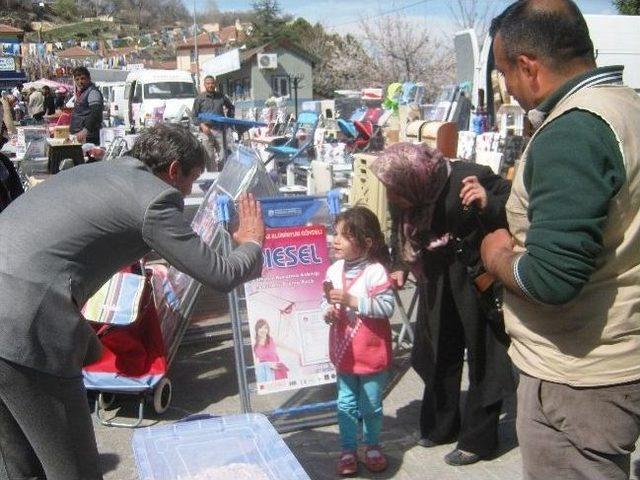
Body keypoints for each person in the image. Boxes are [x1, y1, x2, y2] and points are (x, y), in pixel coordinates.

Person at [0, 123, 265, 480]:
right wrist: (251, 243)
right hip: (25, 326)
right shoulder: (154, 198)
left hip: (12, 312)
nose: (189, 191)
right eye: (191, 179)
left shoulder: (97, 172)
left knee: (18, 465)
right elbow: (221, 274)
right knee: (74, 470)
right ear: (173, 170)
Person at [480, 1, 640, 479]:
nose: (506, 89)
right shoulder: (627, 105)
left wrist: (498, 256)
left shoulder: (573, 131)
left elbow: (551, 278)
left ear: (528, 67)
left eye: (504, 73)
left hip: (579, 378)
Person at [371, 142, 515, 466]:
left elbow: (519, 207)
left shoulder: (468, 176)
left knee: (483, 354)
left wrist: (488, 201)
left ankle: (479, 438)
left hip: (477, 276)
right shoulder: (408, 186)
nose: (392, 198)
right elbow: (400, 230)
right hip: (436, 275)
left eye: (395, 191)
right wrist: (399, 265)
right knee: (436, 349)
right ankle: (441, 424)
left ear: (415, 178)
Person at [322, 206, 395, 476]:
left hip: (372, 354)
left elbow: (387, 307)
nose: (335, 240)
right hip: (345, 354)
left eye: (344, 236)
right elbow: (325, 301)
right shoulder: (333, 271)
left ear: (366, 243)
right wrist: (328, 312)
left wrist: (354, 301)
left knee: (372, 405)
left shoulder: (376, 272)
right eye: (335, 233)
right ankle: (348, 449)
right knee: (345, 404)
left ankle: (372, 445)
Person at [192, 75, 235, 171]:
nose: (210, 85)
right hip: (206, 131)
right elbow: (194, 116)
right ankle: (211, 178)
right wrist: (202, 125)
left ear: (215, 84)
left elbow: (231, 107)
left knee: (223, 156)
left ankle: (221, 176)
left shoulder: (221, 97)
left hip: (220, 130)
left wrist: (228, 121)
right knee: (209, 156)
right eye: (208, 83)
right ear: (204, 85)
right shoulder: (199, 98)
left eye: (212, 83)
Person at [69, 66, 103, 145]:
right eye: (77, 79)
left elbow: (95, 113)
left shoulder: (92, 92)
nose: (80, 82)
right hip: (79, 136)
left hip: (88, 138)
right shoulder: (82, 92)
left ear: (89, 78)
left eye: (82, 78)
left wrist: (85, 131)